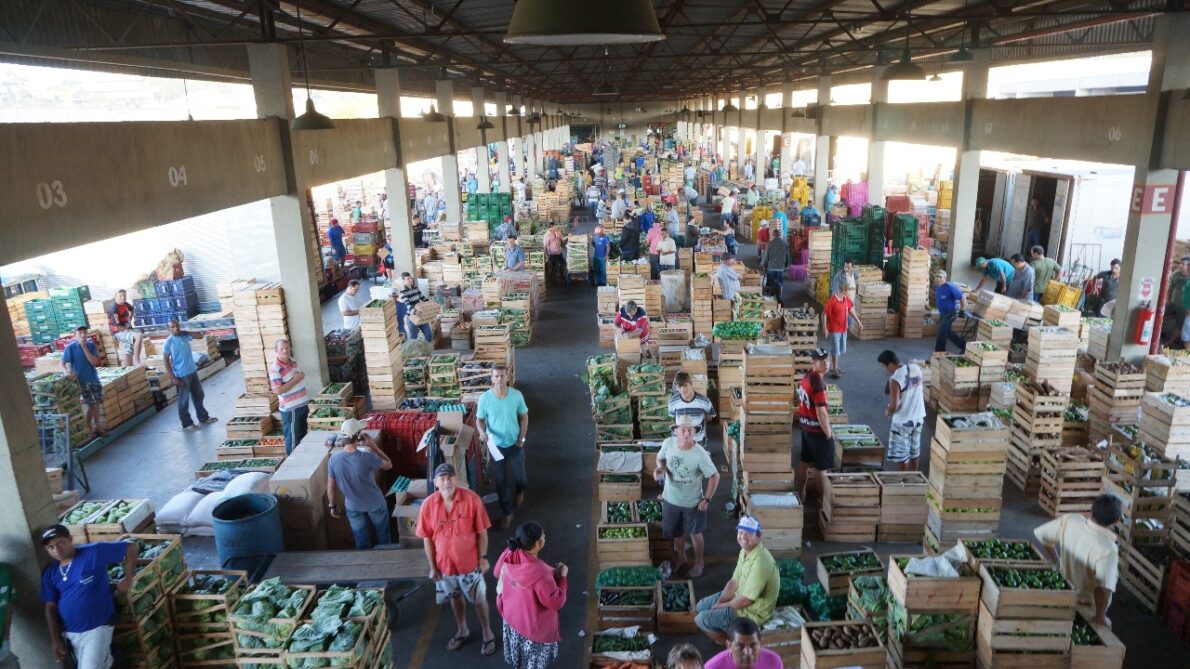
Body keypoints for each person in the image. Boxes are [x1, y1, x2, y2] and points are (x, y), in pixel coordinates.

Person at [417, 463, 497, 656]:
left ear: (457, 479)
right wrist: (433, 567)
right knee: (455, 598)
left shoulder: (472, 499)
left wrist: (483, 557)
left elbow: (482, 533)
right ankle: (463, 630)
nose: (446, 483)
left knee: (478, 600)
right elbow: (427, 538)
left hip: (470, 565)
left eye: (450, 478)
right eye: (442, 479)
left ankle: (487, 632)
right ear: (435, 482)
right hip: (445, 566)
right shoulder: (428, 505)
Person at [41, 524, 140, 669]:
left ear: (70, 539)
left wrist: (127, 579)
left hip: (98, 627)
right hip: (71, 633)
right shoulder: (50, 573)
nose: (57, 550)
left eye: (60, 543)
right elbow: (50, 608)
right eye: (51, 547)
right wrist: (55, 640)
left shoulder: (93, 553)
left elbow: (132, 548)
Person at [1034, 493, 1123, 628]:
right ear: (1117, 520)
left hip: (1063, 590)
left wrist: (1057, 561)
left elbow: (1042, 536)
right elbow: (1103, 588)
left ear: (1091, 510)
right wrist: (1100, 617)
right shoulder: (1108, 549)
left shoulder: (1071, 520)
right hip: (1086, 606)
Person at [693, 515, 780, 645]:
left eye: (748, 533)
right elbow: (734, 582)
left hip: (752, 612)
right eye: (740, 532)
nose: (743, 536)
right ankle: (728, 631)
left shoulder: (760, 563)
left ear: (758, 536)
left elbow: (746, 600)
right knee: (700, 606)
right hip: (739, 597)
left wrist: (723, 606)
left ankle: (729, 643)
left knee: (700, 619)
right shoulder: (745, 551)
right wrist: (720, 601)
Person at [494, 521, 567, 669]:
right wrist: (562, 577)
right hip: (533, 631)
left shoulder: (509, 553)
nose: (545, 539)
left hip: (512, 620)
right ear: (538, 543)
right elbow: (557, 601)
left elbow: (497, 572)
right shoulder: (542, 574)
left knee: (520, 662)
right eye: (544, 537)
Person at [656, 416, 719, 578]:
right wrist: (660, 468)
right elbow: (661, 457)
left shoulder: (700, 454)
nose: (686, 433)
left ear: (694, 432)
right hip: (670, 500)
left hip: (692, 503)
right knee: (677, 533)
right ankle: (682, 557)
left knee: (695, 534)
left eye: (690, 430)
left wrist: (707, 499)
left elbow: (714, 476)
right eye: (683, 430)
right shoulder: (668, 444)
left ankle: (699, 562)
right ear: (675, 431)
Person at [477, 365, 530, 530]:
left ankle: (520, 490)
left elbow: (524, 417)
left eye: (502, 376)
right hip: (496, 446)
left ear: (507, 377)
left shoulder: (516, 396)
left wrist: (521, 438)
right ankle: (507, 512)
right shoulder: (485, 399)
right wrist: (482, 432)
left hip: (514, 444)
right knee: (501, 481)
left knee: (520, 477)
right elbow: (479, 420)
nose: (499, 379)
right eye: (496, 376)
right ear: (492, 379)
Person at [328, 418, 393, 548]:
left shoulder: (333, 460)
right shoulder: (366, 458)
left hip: (353, 506)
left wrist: (332, 507)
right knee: (383, 537)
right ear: (358, 435)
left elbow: (330, 488)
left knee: (361, 541)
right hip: (375, 504)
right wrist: (373, 445)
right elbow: (389, 465)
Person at [163, 319, 218, 431]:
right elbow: (165, 360)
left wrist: (186, 332)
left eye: (177, 326)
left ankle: (203, 417)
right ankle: (187, 423)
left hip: (192, 371)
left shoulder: (183, 336)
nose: (176, 328)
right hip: (181, 375)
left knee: (199, 395)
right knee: (183, 400)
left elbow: (200, 336)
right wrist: (173, 377)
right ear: (168, 329)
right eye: (172, 327)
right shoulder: (169, 342)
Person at [794, 349, 834, 496]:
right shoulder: (818, 384)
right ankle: (823, 502)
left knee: (804, 462)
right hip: (817, 432)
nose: (826, 363)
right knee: (821, 468)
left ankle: (800, 494)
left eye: (827, 360)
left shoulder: (808, 377)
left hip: (805, 427)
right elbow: (821, 413)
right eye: (822, 361)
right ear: (814, 362)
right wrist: (828, 435)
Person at [878, 350, 926, 472]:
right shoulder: (916, 368)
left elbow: (894, 406)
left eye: (884, 366)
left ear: (890, 364)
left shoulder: (895, 379)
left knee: (902, 455)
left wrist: (888, 412)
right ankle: (914, 477)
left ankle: (902, 481)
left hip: (903, 421)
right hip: (919, 417)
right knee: (914, 450)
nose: (885, 370)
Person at [60, 326, 105, 438]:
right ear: (75, 335)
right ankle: (89, 427)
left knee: (97, 403)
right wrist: (66, 372)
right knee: (91, 404)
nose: (82, 335)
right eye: (80, 333)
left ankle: (97, 427)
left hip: (93, 378)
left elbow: (94, 362)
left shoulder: (90, 345)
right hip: (81, 381)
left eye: (84, 332)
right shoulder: (70, 347)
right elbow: (62, 363)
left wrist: (84, 348)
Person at [269, 338, 309, 455]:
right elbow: (278, 390)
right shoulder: (275, 369)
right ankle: (292, 461)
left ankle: (302, 459)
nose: (285, 351)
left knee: (302, 435)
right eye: (282, 349)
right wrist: (295, 380)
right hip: (291, 409)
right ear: (276, 351)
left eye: (287, 348)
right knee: (292, 439)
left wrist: (301, 376)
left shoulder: (293, 361)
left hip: (302, 404)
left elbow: (298, 377)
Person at [705, 617, 784, 669]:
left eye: (753, 645)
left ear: (761, 644)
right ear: (729, 645)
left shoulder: (774, 661)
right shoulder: (712, 667)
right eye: (740, 646)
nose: (748, 652)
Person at [823, 282, 862, 378]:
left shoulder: (845, 299)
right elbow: (824, 314)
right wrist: (825, 328)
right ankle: (835, 370)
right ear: (843, 290)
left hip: (843, 328)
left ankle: (835, 366)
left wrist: (858, 322)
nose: (848, 293)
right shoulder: (833, 300)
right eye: (848, 291)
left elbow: (851, 310)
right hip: (835, 329)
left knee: (839, 348)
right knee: (835, 349)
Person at [669, 372, 716, 449]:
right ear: (676, 388)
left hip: (698, 440)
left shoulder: (704, 401)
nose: (683, 389)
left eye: (685, 385)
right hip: (680, 440)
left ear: (691, 383)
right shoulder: (672, 402)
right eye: (679, 387)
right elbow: (673, 418)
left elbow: (709, 418)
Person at [933, 270, 968, 353]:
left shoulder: (950, 287)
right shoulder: (938, 286)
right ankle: (965, 347)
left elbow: (963, 297)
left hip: (951, 312)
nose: (938, 279)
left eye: (940, 277)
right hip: (943, 313)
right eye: (937, 277)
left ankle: (939, 352)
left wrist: (962, 310)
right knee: (947, 332)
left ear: (945, 278)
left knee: (942, 331)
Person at [761, 228, 791, 300]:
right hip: (780, 268)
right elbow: (787, 256)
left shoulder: (770, 244)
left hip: (771, 267)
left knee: (770, 284)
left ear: (773, 235)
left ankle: (771, 298)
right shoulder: (785, 243)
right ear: (779, 235)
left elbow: (766, 256)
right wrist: (787, 265)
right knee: (779, 283)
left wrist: (764, 265)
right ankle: (779, 296)